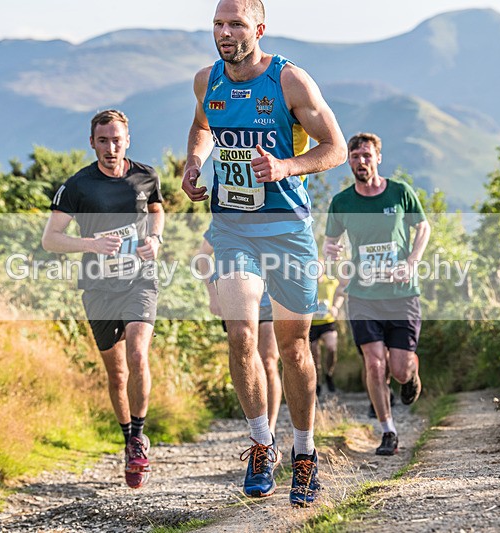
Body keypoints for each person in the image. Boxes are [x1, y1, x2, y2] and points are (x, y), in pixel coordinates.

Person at [182, 0, 346, 507]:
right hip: (232, 228)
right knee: (242, 333)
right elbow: (202, 127)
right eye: (218, 24)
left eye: (235, 24)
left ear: (259, 28)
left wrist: (285, 167)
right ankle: (260, 443)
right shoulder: (206, 80)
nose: (225, 33)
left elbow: (335, 148)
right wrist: (193, 162)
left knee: (295, 348)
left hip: (287, 230)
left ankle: (304, 452)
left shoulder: (289, 81)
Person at [42, 109, 164, 489]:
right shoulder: (78, 186)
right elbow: (51, 239)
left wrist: (155, 240)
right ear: (92, 142)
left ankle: (140, 438)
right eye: (103, 141)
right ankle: (128, 438)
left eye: (117, 140)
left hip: (140, 280)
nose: (111, 148)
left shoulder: (146, 176)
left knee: (138, 353)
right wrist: (91, 244)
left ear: (128, 140)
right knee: (117, 373)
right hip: (97, 287)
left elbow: (158, 211)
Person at [324, 132, 431, 457]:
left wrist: (412, 262)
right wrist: (331, 249)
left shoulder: (400, 193)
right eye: (355, 156)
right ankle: (388, 431)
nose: (361, 161)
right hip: (363, 295)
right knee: (374, 364)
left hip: (401, 295)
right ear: (349, 161)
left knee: (397, 369)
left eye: (367, 155)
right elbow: (331, 244)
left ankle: (410, 374)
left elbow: (423, 227)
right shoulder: (341, 202)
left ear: (378, 158)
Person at [195, 232, 282, 433]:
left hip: (271, 299)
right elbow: (203, 256)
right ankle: (258, 426)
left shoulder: (276, 210)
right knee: (246, 356)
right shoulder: (228, 215)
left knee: (269, 361)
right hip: (239, 298)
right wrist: (213, 295)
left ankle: (270, 429)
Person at [309, 262, 345, 396]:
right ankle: (317, 382)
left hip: (327, 322)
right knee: (314, 354)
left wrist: (335, 306)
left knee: (331, 347)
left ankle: (329, 374)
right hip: (311, 324)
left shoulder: (331, 282)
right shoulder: (306, 283)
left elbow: (341, 293)